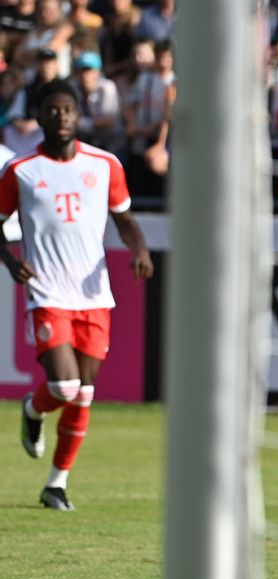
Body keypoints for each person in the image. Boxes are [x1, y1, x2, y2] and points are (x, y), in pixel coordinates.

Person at [0, 79, 153, 511]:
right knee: (65, 386)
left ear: (78, 114)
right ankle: (33, 408)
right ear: (40, 114)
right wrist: (11, 263)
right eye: (53, 109)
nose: (61, 116)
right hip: (47, 291)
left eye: (68, 109)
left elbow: (124, 219)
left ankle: (57, 483)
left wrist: (140, 251)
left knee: (84, 393)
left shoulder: (105, 164)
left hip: (94, 294)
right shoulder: (21, 170)